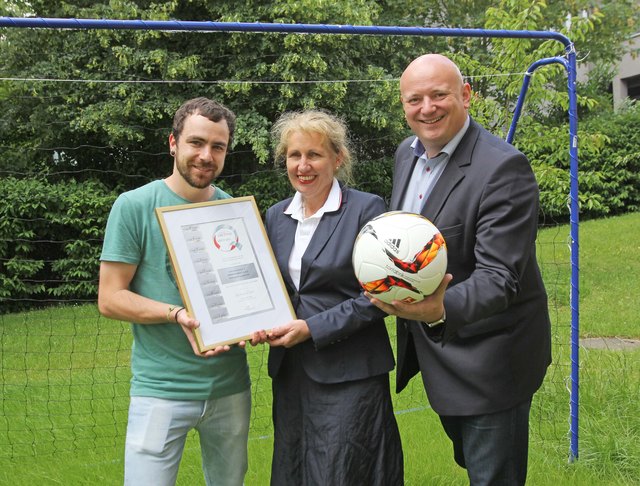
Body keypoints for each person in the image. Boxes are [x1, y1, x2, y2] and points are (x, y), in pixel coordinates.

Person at [368, 54, 552, 485]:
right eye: (415, 99)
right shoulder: (406, 155)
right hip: (442, 352)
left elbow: (498, 278)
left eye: (439, 95)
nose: (426, 108)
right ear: (403, 105)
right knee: (474, 463)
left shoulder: (503, 168)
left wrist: (434, 310)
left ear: (466, 96)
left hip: (491, 359)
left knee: (492, 478)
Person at [97, 97, 251, 486]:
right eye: (196, 143)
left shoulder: (235, 211)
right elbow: (110, 297)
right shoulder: (134, 206)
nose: (206, 155)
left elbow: (244, 290)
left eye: (218, 147)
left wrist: (255, 319)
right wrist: (176, 314)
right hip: (161, 390)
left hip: (231, 386)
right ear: (173, 143)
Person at [261, 110, 404, 485]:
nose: (303, 165)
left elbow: (377, 293)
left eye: (314, 155)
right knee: (295, 467)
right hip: (292, 370)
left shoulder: (365, 209)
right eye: (294, 155)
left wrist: (312, 327)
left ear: (338, 159)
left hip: (350, 371)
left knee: (343, 472)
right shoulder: (275, 216)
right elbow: (268, 287)